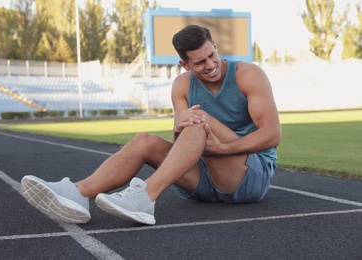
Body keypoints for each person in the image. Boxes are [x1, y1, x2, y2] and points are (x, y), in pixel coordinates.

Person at [21, 25, 282, 225]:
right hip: (204, 178)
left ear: (215, 46)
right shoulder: (182, 85)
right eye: (200, 62)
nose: (211, 65)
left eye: (212, 55)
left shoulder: (247, 75)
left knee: (197, 119)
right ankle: (78, 193)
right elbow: (182, 137)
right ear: (185, 64)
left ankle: (146, 196)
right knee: (146, 139)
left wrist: (223, 149)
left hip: (248, 176)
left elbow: (272, 134)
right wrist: (184, 129)